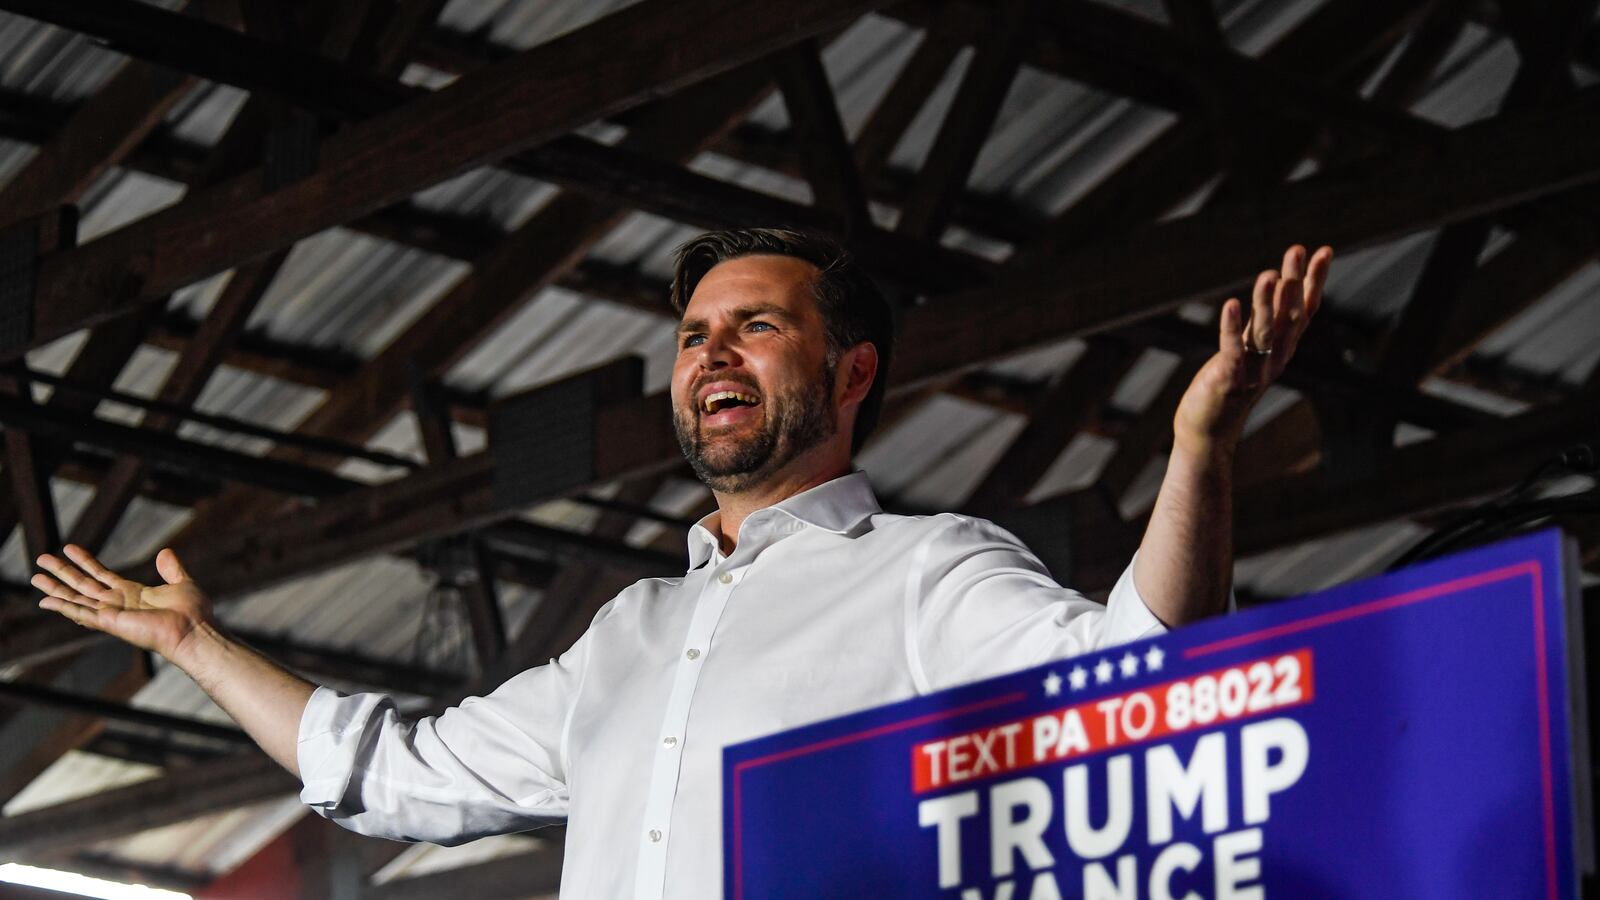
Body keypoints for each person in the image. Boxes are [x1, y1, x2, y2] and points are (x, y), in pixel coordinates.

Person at [33, 228, 1332, 899]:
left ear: (851, 370)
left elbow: (1139, 677)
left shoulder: (927, 575)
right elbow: (393, 776)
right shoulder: (627, 632)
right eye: (696, 333)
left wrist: (1199, 447)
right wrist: (196, 646)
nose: (711, 355)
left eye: (756, 328)